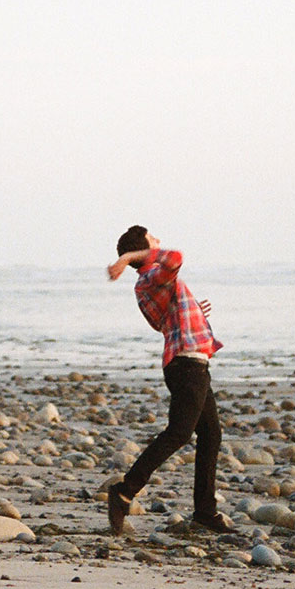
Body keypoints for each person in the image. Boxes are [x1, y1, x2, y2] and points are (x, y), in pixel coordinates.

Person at [105, 226, 236, 535]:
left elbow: (163, 323)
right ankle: (124, 491)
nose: (159, 242)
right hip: (186, 365)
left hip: (191, 364)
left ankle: (205, 512)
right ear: (142, 249)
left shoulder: (150, 284)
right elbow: (175, 257)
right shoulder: (151, 276)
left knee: (211, 436)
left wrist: (192, 309)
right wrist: (127, 257)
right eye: (153, 240)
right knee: (179, 432)